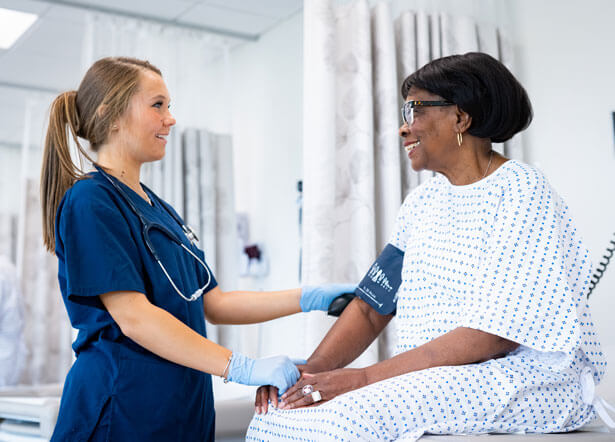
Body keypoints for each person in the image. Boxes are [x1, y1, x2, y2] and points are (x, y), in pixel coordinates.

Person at [248, 52, 608, 440]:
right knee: (278, 414)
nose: (403, 128)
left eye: (414, 110)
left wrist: (363, 378)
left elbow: (495, 334)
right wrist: (311, 373)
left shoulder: (521, 189)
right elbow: (371, 307)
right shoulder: (421, 204)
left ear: (460, 117)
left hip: (527, 379)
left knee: (340, 420)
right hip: (439, 375)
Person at [39, 56, 353, 441]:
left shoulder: (158, 208)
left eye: (168, 106)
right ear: (111, 115)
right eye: (158, 105)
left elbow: (214, 302)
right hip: (123, 409)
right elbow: (134, 317)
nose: (170, 119)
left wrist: (311, 298)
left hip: (180, 408)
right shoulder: (91, 201)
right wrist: (242, 367)